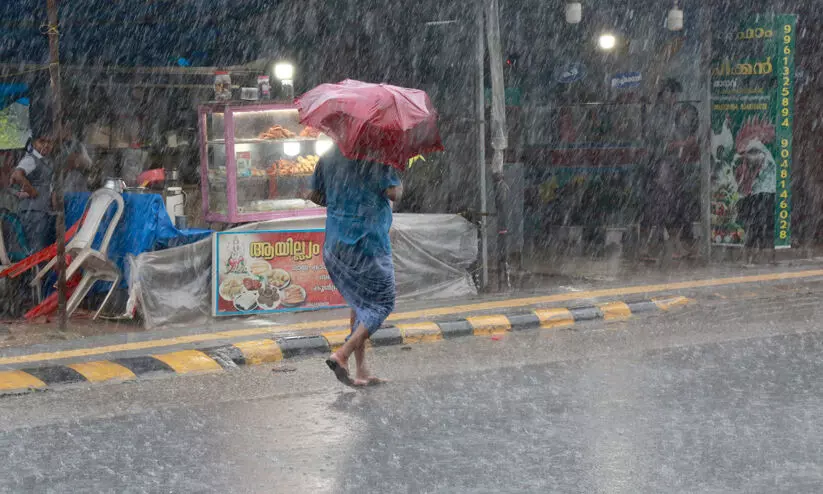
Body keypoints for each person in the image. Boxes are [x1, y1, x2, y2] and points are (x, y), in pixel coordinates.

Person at [310, 147, 402, 387]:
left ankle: (362, 369)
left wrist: (344, 201)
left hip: (336, 243)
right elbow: (393, 193)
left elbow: (315, 195)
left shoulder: (328, 156)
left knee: (359, 301)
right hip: (368, 243)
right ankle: (343, 354)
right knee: (383, 302)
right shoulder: (378, 155)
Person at [10, 132, 55, 253]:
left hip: (41, 211)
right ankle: (36, 271)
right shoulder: (31, 159)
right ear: (34, 143)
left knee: (41, 248)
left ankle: (39, 270)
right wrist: (32, 191)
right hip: (33, 213)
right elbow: (17, 175)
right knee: (36, 249)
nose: (46, 145)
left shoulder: (44, 160)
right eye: (42, 142)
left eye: (49, 142)